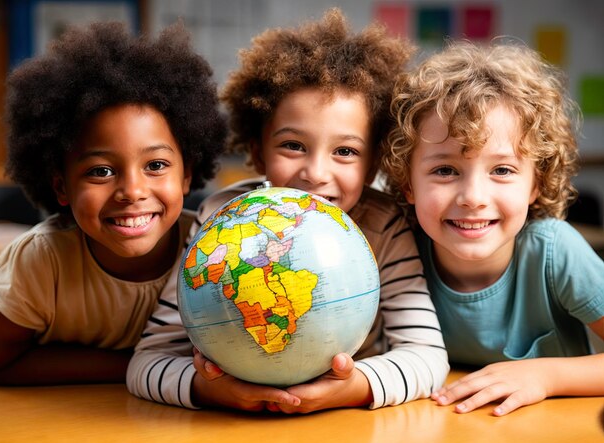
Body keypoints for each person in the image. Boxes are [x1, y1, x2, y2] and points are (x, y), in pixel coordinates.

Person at [127, 8, 449, 413]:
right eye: (293, 145)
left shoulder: (385, 226)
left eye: (345, 152)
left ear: (372, 166)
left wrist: (354, 388)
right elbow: (147, 361)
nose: (315, 173)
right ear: (258, 152)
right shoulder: (221, 221)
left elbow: (428, 357)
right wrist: (206, 390)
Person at [0, 21, 227, 384]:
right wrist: (137, 367)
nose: (132, 190)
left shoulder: (212, 250)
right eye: (100, 171)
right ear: (61, 187)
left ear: (186, 174)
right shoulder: (41, 262)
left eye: (155, 165)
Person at [382, 39, 604, 416]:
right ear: (408, 182)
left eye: (501, 170)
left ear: (536, 182)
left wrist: (545, 376)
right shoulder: (399, 253)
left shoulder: (555, 252)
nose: (473, 197)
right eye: (445, 170)